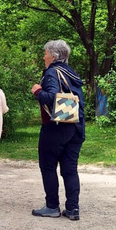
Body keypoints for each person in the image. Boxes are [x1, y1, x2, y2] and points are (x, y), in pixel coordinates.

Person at [31, 40, 85, 220]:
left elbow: (52, 97)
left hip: (56, 128)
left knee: (48, 166)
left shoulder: (52, 72)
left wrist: (37, 91)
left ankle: (52, 206)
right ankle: (73, 209)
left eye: (46, 54)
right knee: (70, 169)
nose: (43, 57)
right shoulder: (72, 73)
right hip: (76, 126)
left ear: (53, 57)